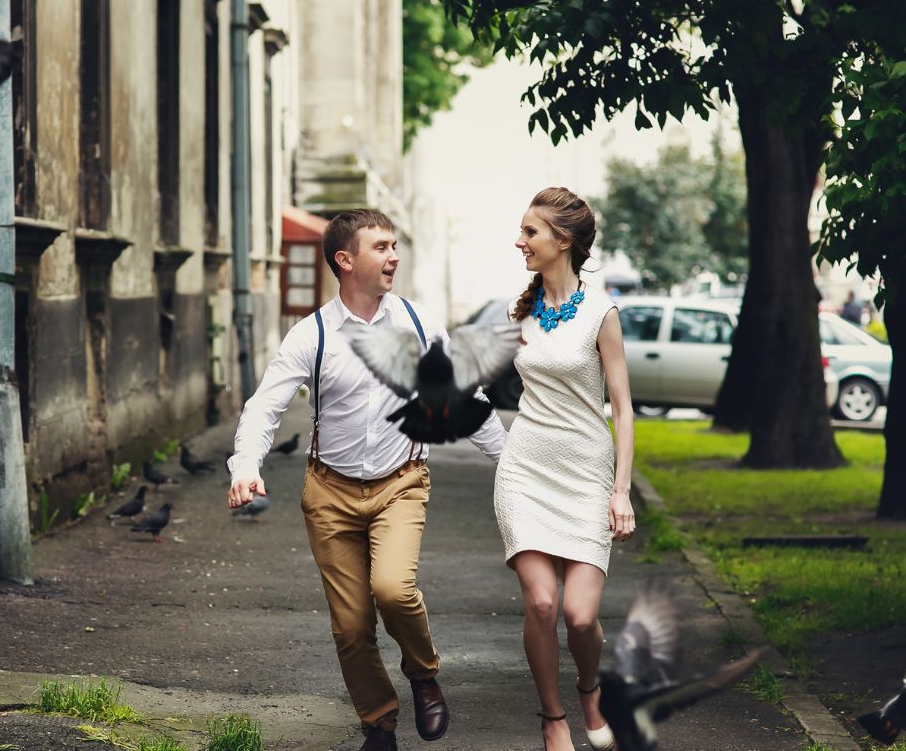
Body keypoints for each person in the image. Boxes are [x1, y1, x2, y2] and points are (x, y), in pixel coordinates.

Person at [227, 209, 507, 751]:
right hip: (328, 492)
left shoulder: (421, 326)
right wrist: (246, 467)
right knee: (351, 626)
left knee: (394, 591)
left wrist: (513, 466)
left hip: (400, 484)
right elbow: (264, 406)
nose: (394, 256)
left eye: (395, 245)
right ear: (345, 260)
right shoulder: (313, 335)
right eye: (381, 247)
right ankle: (378, 724)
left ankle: (423, 674)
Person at [492, 188, 634, 751]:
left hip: (585, 474)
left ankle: (590, 689)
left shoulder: (602, 314)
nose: (519, 241)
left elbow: (621, 408)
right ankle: (552, 719)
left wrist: (620, 491)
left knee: (579, 616)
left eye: (530, 232)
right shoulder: (516, 311)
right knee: (543, 604)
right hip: (525, 468)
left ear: (563, 240)